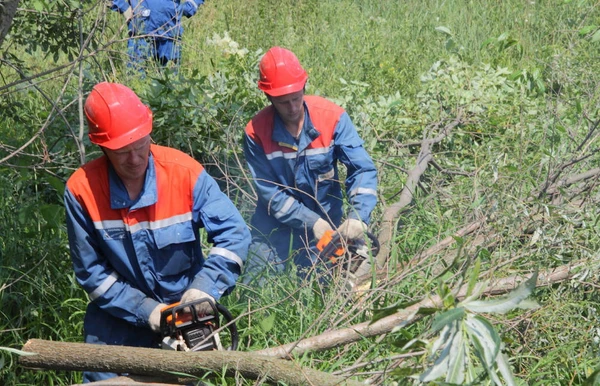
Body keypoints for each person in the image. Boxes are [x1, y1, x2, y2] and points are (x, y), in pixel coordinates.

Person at [64, 82, 250, 383]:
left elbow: (235, 235)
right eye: (122, 152)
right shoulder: (81, 190)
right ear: (102, 146)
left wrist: (202, 291)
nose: (135, 159)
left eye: (140, 146)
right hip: (116, 324)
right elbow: (91, 273)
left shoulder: (184, 173)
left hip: (184, 316)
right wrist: (148, 312)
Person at [242, 46, 378, 281]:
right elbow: (271, 194)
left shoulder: (332, 118)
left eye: (296, 98)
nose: (293, 108)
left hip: (329, 223)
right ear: (269, 97)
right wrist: (310, 222)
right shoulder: (256, 132)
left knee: (336, 285)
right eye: (284, 102)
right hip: (275, 226)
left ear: (304, 87)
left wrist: (357, 216)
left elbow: (362, 169)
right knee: (258, 286)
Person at [110, 0, 202, 69]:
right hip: (140, 33)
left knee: (170, 84)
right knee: (136, 83)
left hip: (169, 33)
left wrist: (190, 6)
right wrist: (122, 6)